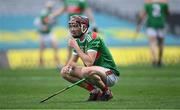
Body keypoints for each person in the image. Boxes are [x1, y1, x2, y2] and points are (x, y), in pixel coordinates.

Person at [61, 15, 119, 101]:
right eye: (71, 26)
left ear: (83, 27)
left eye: (75, 26)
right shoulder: (77, 40)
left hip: (109, 74)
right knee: (64, 72)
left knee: (86, 70)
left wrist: (76, 47)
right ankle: (94, 91)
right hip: (92, 73)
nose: (72, 29)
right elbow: (73, 62)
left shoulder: (92, 37)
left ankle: (106, 92)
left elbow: (89, 63)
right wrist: (68, 67)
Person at [138, 0, 169, 67]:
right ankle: (160, 60)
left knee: (152, 43)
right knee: (161, 44)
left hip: (151, 25)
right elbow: (167, 13)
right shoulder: (163, 3)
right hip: (161, 24)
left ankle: (154, 59)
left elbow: (142, 14)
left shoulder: (148, 4)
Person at [34, 1, 60, 67]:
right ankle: (41, 63)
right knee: (41, 49)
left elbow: (53, 22)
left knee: (55, 46)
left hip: (49, 33)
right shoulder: (44, 13)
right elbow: (40, 23)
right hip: (43, 34)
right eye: (49, 7)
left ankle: (57, 62)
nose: (50, 8)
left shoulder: (50, 14)